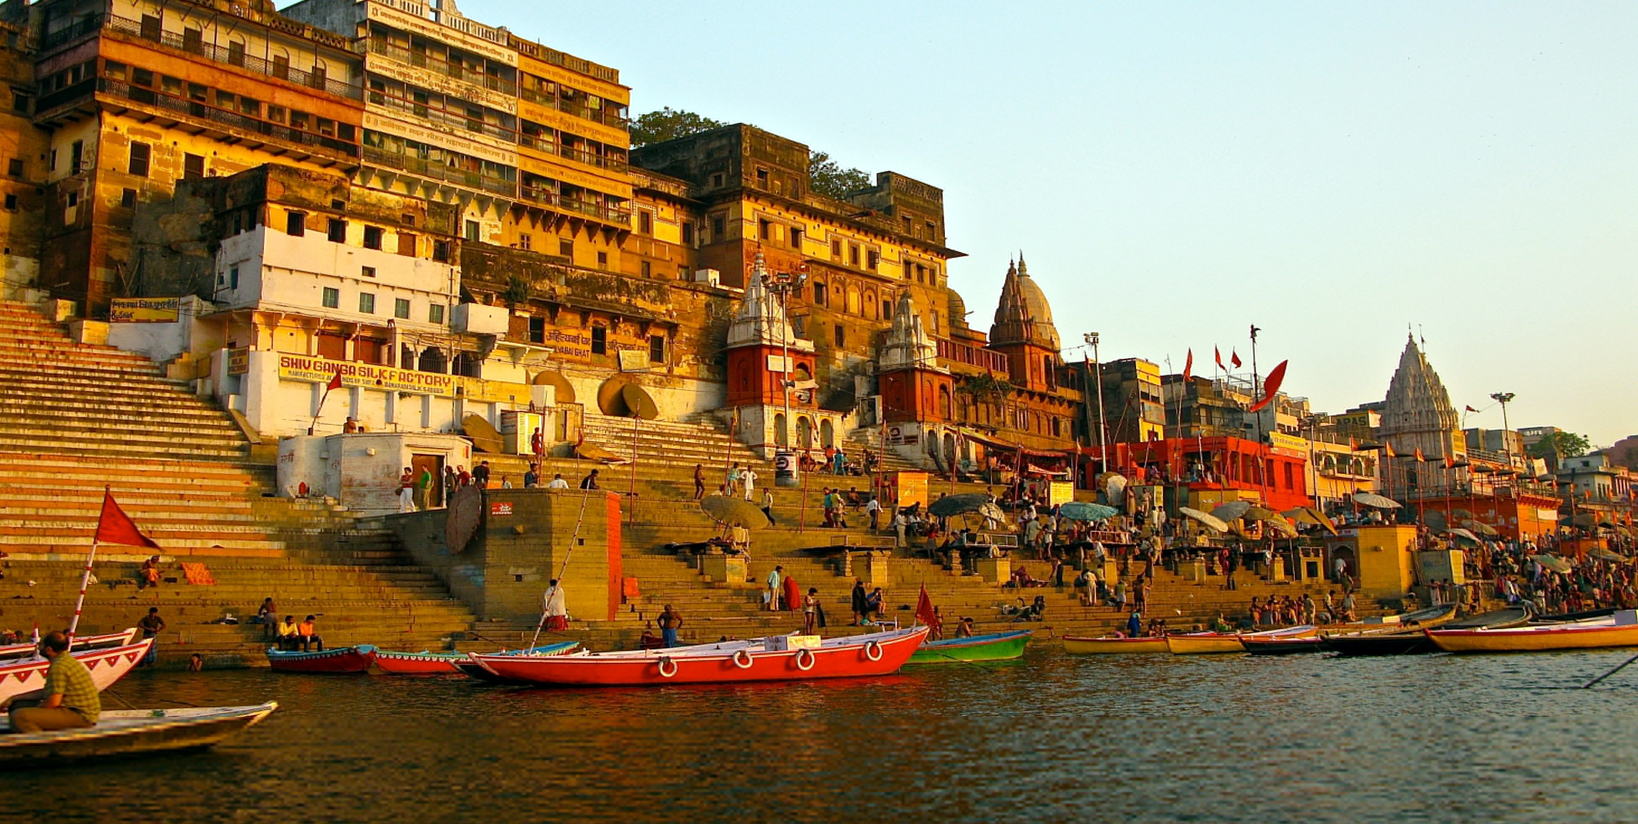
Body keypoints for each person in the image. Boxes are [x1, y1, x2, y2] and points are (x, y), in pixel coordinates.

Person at [1, 631, 99, 733]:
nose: (38, 647)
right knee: (17, 705)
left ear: (49, 649)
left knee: (19, 716)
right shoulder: (64, 660)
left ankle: (42, 744)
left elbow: (52, 703)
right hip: (71, 709)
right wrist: (14, 698)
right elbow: (50, 692)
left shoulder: (59, 667)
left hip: (81, 715)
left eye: (41, 644)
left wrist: (35, 712)